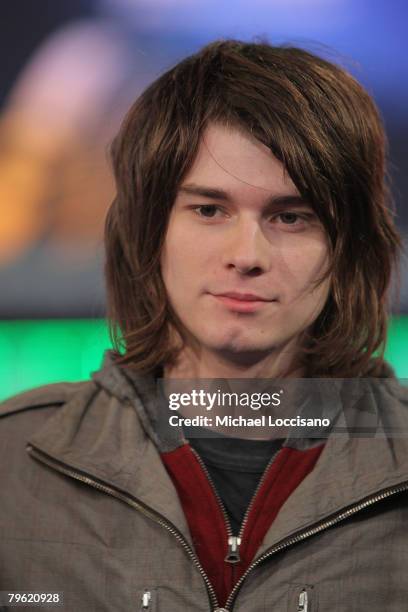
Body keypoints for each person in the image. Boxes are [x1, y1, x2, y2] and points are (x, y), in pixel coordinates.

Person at [1, 39, 407, 612]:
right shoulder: (9, 463)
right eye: (209, 210)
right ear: (148, 231)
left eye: (291, 216)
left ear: (349, 250)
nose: (247, 254)